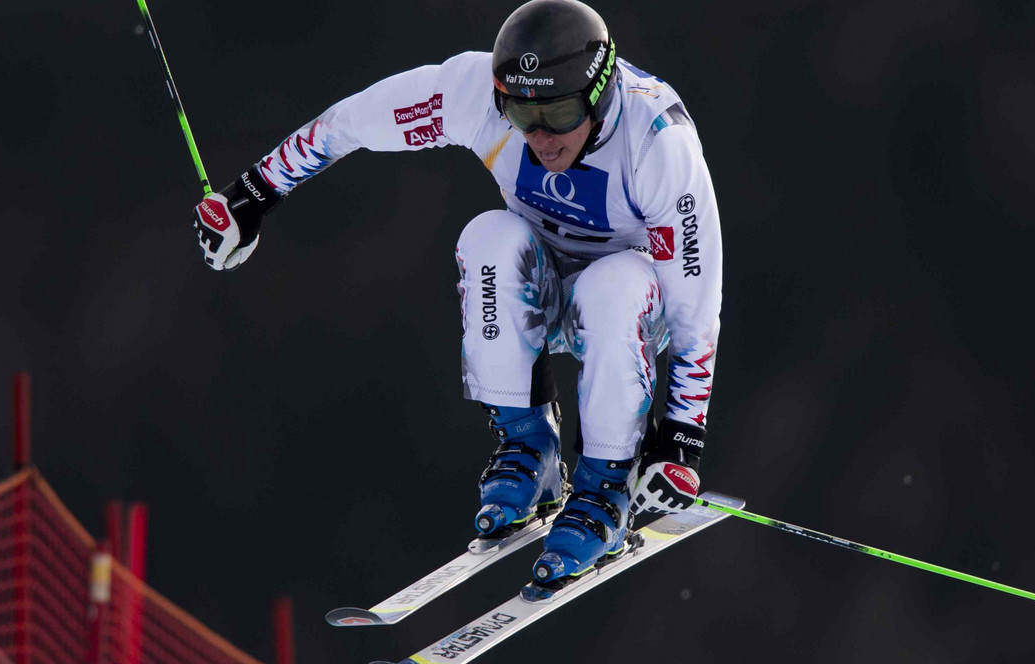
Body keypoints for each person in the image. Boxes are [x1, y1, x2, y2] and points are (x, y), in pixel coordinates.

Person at [191, 0, 721, 587]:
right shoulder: (476, 93)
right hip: (539, 293)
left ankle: (605, 487)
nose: (542, 137)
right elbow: (353, 124)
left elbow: (695, 306)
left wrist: (680, 438)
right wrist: (252, 195)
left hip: (631, 313)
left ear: (597, 95)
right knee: (489, 238)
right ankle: (531, 450)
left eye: (562, 112)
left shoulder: (657, 143)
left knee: (612, 285)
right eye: (523, 113)